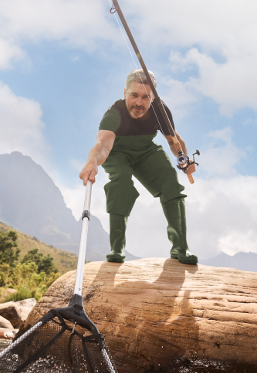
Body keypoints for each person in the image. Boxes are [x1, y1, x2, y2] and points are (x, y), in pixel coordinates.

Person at [78, 69, 198, 264]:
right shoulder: (114, 113)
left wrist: (183, 159)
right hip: (116, 153)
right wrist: (92, 161)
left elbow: (173, 140)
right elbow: (103, 145)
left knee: (170, 183)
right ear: (124, 92)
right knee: (121, 183)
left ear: (153, 97)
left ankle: (181, 248)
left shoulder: (161, 110)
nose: (139, 103)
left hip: (146, 151)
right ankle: (117, 249)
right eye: (134, 95)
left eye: (145, 97)